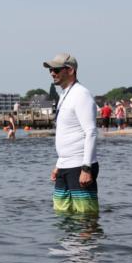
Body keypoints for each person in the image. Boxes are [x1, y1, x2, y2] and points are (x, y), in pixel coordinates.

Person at [44, 53, 99, 215]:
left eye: (56, 69)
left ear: (70, 70)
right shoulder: (64, 94)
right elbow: (67, 132)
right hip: (64, 165)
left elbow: (90, 132)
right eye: (50, 70)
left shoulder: (81, 94)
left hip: (80, 166)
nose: (52, 73)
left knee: (85, 217)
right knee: (61, 215)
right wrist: (59, 164)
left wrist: (87, 168)